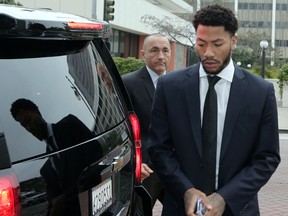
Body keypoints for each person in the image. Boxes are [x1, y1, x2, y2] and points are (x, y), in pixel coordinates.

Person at [147, 4, 280, 216]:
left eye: (217, 44)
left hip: (238, 210)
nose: (208, 53)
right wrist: (186, 191)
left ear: (233, 41)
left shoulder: (260, 92)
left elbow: (267, 158)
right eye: (201, 44)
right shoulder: (170, 87)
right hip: (181, 208)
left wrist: (225, 197)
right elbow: (158, 148)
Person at [10, 98, 102, 215]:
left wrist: (65, 197)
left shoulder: (69, 125)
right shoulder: (49, 158)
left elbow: (96, 154)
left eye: (28, 120)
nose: (29, 128)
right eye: (24, 126)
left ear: (38, 112)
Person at [122, 33, 171, 207]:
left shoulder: (179, 83)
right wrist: (135, 161)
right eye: (154, 50)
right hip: (146, 168)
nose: (161, 56)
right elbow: (123, 128)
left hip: (174, 167)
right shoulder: (128, 83)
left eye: (165, 50)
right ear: (143, 53)